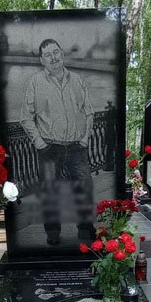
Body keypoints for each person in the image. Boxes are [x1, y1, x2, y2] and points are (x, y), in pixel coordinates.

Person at [20, 38, 96, 245]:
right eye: (47, 55)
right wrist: (39, 143)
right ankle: (52, 232)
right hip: (49, 146)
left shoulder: (77, 80)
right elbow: (26, 117)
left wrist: (85, 137)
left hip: (77, 146)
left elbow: (88, 112)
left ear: (62, 53)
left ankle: (86, 230)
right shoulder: (35, 82)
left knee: (84, 189)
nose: (53, 58)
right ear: (42, 60)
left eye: (55, 52)